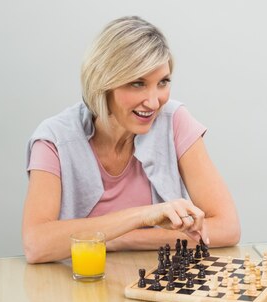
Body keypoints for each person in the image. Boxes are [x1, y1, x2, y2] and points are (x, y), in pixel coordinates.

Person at [23, 16, 240, 264]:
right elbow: (36, 244)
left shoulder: (175, 121)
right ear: (102, 83)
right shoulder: (53, 140)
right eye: (137, 83)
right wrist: (144, 215)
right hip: (79, 286)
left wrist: (114, 238)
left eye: (163, 83)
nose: (153, 101)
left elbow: (227, 228)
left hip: (155, 286)